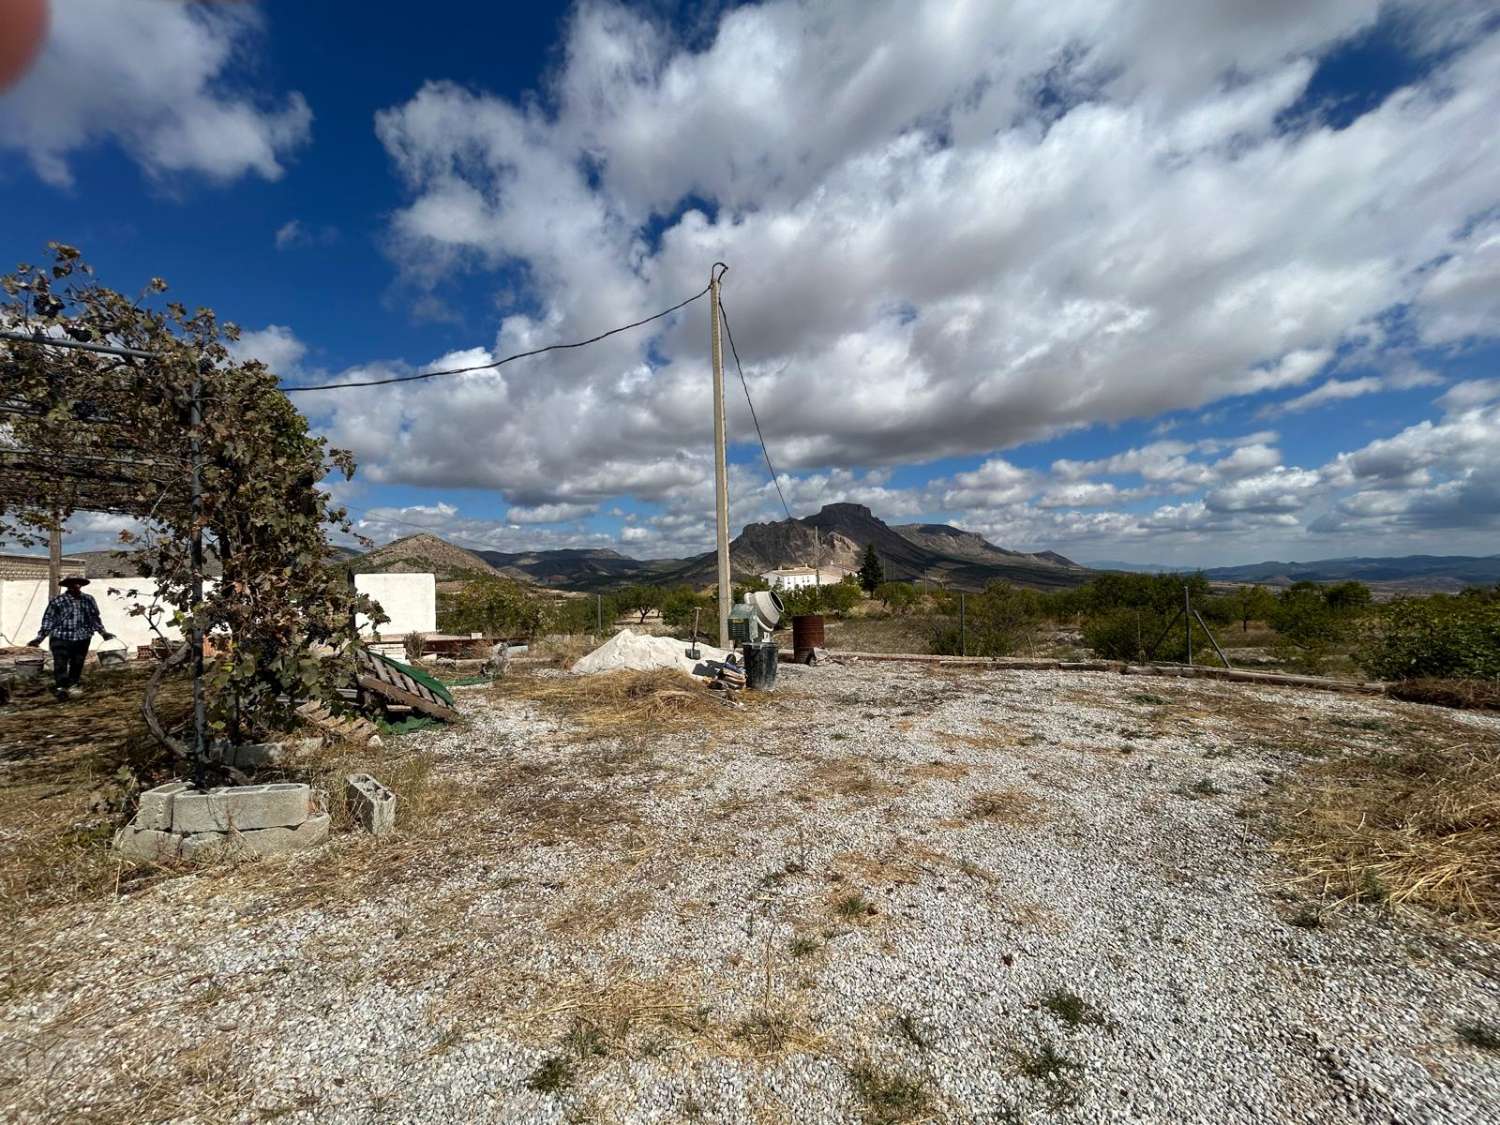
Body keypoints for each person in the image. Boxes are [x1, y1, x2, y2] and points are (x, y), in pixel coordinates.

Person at [28, 576, 114, 700]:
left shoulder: (88, 599)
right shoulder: (58, 601)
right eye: (73, 583)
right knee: (60, 663)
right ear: (68, 585)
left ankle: (73, 685)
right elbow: (48, 619)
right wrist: (39, 638)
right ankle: (61, 688)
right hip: (61, 637)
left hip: (82, 637)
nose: (76, 585)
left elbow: (94, 618)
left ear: (82, 585)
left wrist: (103, 633)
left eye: (79, 583)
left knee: (77, 663)